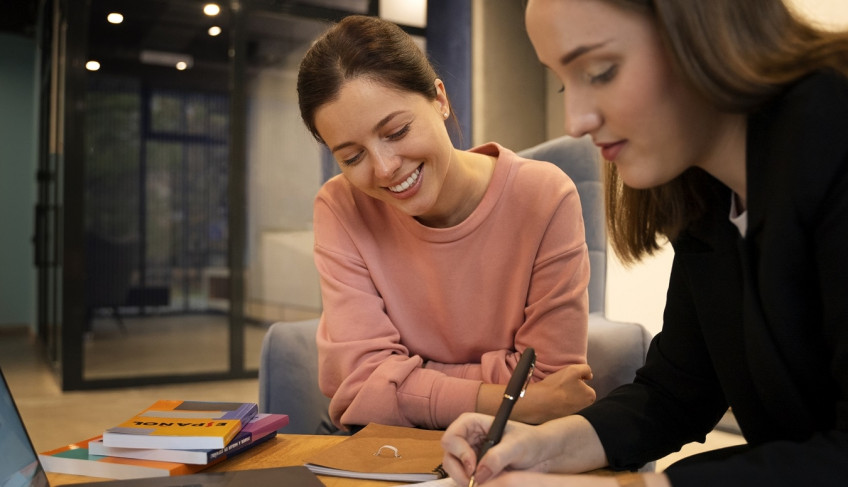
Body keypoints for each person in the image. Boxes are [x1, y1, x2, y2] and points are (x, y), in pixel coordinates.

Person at [440, 0, 848, 485]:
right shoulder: (707, 193)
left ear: (701, 27)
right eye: (565, 83)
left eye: (601, 72)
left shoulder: (832, 131)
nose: (575, 121)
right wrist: (542, 446)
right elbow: (677, 391)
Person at [296, 15, 596, 433]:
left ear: (439, 99)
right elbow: (359, 386)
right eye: (352, 157)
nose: (384, 168)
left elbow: (551, 380)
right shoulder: (341, 205)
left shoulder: (544, 196)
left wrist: (403, 379)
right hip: (388, 446)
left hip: (513, 445)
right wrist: (509, 399)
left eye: (397, 131)